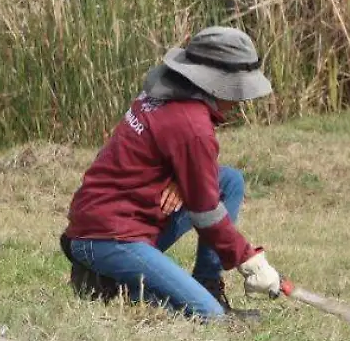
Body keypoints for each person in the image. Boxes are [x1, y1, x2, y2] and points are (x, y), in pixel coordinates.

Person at [60, 26, 284, 319]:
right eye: (237, 89)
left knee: (228, 180)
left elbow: (155, 151)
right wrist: (249, 260)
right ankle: (107, 282)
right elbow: (206, 214)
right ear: (216, 84)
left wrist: (180, 177)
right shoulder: (193, 127)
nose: (240, 102)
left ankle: (206, 283)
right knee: (209, 316)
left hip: (106, 222)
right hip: (109, 236)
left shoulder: (164, 92)